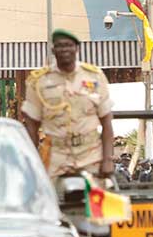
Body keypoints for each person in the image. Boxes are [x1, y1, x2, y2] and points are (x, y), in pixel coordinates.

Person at [20, 30, 114, 181]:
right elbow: (32, 125)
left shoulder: (95, 76)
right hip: (55, 156)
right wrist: (32, 161)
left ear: (77, 48)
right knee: (50, 202)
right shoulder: (39, 81)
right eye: (60, 46)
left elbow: (107, 121)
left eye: (69, 45)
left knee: (94, 202)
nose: (64, 50)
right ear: (53, 50)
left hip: (91, 155)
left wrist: (108, 159)